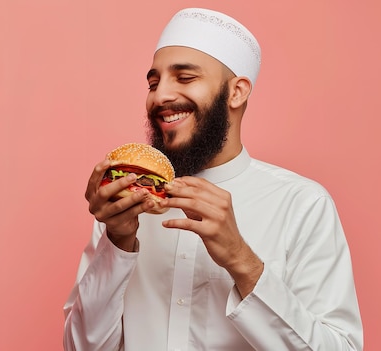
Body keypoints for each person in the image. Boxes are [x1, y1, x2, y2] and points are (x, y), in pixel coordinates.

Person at [63, 7, 363, 351]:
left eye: (185, 78)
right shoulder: (125, 206)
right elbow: (81, 347)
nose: (160, 96)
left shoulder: (303, 205)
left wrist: (241, 260)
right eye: (153, 82)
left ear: (236, 92)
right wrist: (116, 242)